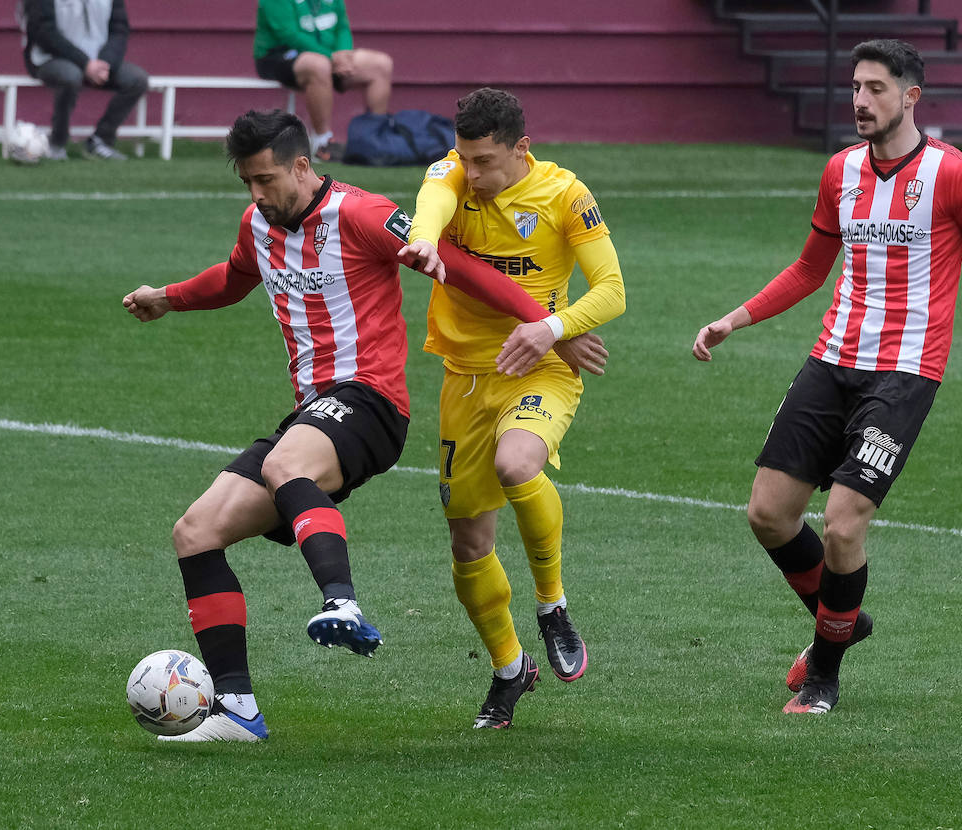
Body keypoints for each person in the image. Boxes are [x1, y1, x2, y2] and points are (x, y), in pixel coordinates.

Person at [121, 109, 564, 742]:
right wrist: (169, 296)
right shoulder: (258, 223)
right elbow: (234, 278)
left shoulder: (360, 214)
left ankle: (342, 601)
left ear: (302, 166)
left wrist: (547, 328)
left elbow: (464, 268)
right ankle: (238, 712)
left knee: (285, 466)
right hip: (311, 413)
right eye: (246, 181)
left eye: (266, 179)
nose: (256, 194)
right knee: (195, 532)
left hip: (372, 403)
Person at [691, 39, 962, 715]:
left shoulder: (954, 175)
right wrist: (733, 320)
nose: (860, 101)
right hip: (832, 360)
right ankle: (843, 618)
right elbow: (809, 269)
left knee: (841, 525)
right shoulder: (839, 172)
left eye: (876, 89)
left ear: (911, 97)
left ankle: (825, 672)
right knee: (768, 514)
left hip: (905, 373)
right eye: (855, 87)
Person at [398, 88, 626, 729]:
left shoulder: (564, 195)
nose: (474, 174)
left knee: (517, 463)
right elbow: (434, 200)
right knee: (469, 544)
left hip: (540, 368)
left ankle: (552, 603)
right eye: (466, 158)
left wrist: (551, 329)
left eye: (486, 161)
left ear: (521, 149)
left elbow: (612, 290)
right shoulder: (452, 176)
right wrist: (423, 240)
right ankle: (509, 670)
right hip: (465, 379)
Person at [253, 0, 392, 163]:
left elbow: (342, 26)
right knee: (318, 66)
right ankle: (323, 142)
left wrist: (344, 53)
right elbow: (288, 34)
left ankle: (376, 140)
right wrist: (331, 57)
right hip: (279, 56)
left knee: (381, 64)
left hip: (329, 56)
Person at [19, 0, 149, 161]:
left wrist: (106, 62)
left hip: (99, 62)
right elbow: (43, 31)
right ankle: (57, 142)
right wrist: (85, 63)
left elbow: (119, 29)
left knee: (137, 80)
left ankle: (100, 140)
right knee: (70, 76)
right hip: (50, 58)